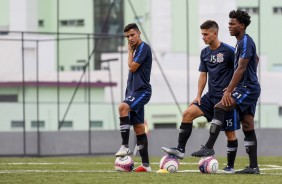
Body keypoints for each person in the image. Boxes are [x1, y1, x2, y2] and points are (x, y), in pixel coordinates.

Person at [162, 20, 240, 173]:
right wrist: (198, 95)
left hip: (225, 100)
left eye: (205, 34)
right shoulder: (205, 52)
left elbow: (241, 71)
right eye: (202, 34)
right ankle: (180, 149)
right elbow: (203, 75)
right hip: (209, 97)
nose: (203, 37)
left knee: (230, 134)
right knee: (187, 114)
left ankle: (230, 167)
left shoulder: (229, 51)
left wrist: (233, 88)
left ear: (215, 34)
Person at [191, 10, 261, 175]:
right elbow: (255, 59)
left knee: (220, 107)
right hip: (247, 87)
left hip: (248, 89)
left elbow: (242, 67)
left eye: (232, 24)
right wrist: (242, 81)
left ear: (241, 26)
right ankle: (253, 167)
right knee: (248, 125)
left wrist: (230, 90)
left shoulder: (245, 42)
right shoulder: (241, 42)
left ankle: (208, 147)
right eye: (229, 23)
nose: (229, 26)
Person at [115, 23, 152, 172]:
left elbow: (132, 67)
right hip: (131, 92)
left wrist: (129, 51)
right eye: (127, 37)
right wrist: (131, 51)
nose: (130, 38)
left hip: (142, 91)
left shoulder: (143, 48)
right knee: (138, 127)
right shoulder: (136, 49)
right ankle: (146, 165)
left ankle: (124, 146)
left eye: (132, 35)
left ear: (139, 33)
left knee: (122, 107)